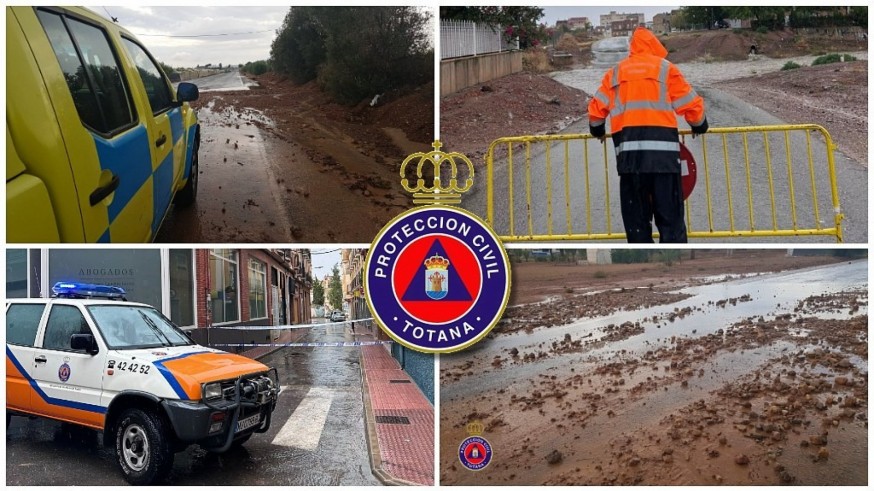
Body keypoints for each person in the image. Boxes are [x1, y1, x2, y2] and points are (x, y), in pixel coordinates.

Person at [588, 26, 708, 243]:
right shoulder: (666, 69)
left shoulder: (616, 72)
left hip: (630, 163)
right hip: (664, 162)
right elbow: (692, 106)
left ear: (632, 48)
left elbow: (596, 113)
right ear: (654, 46)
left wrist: (597, 130)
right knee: (671, 226)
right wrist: (700, 125)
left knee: (637, 227)